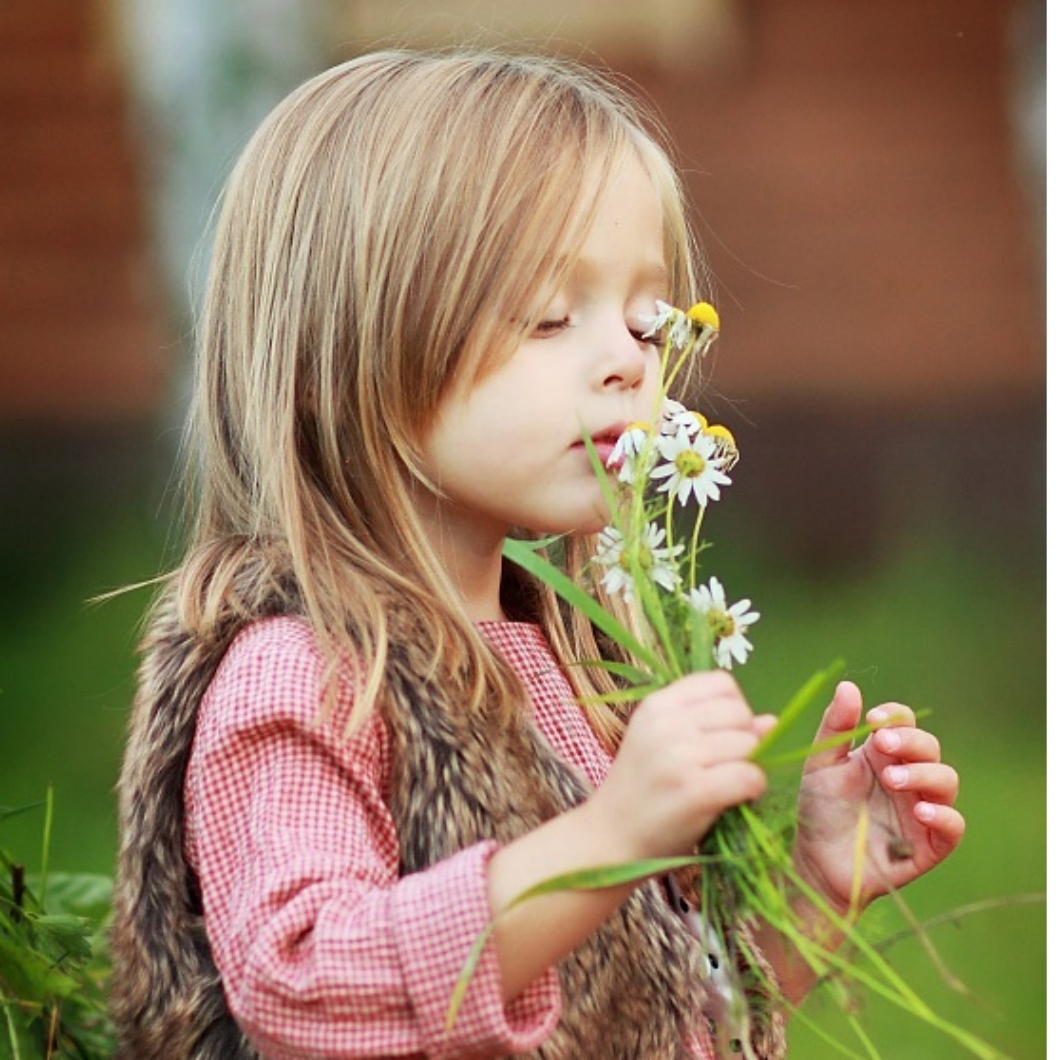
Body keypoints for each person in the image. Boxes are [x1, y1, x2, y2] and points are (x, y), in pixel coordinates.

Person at [109, 48, 964, 1060]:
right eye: (552, 316)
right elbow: (300, 985)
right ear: (342, 365)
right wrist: (603, 842)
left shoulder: (576, 672)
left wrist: (818, 894)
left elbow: (648, 1029)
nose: (625, 360)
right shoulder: (307, 675)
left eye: (646, 321)